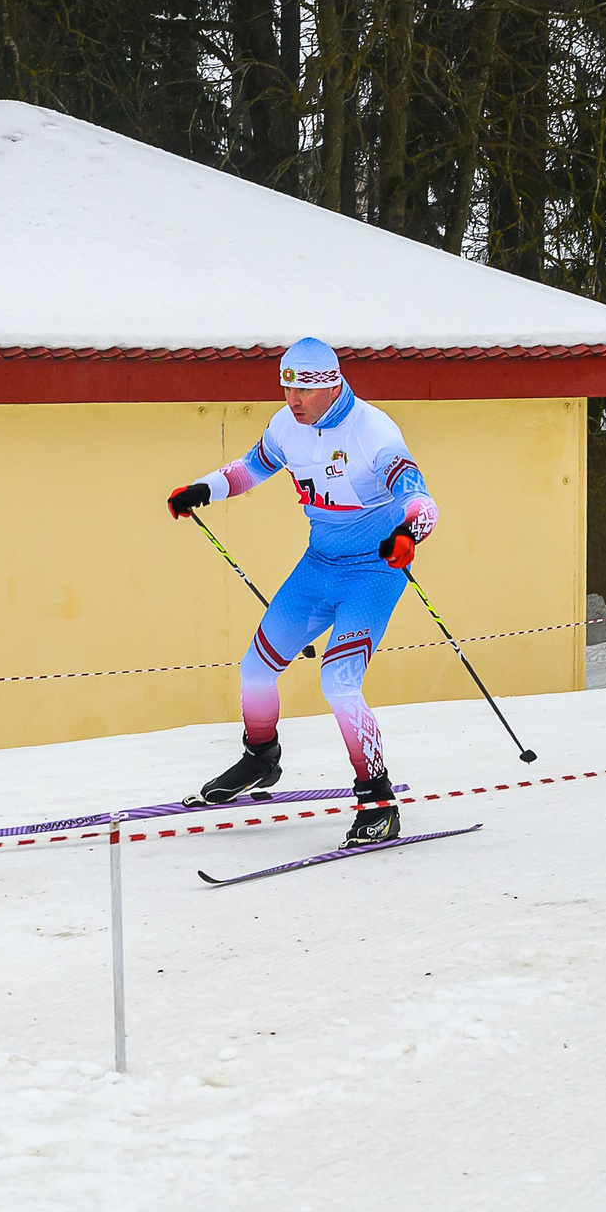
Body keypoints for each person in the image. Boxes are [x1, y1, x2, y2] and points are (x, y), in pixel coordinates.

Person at [166, 338, 437, 846]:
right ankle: (260, 757)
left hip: (372, 572)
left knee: (338, 680)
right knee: (255, 670)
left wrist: (407, 535)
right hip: (318, 567)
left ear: (331, 383)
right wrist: (202, 488)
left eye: (305, 388)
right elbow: (250, 469)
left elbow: (421, 500)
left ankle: (377, 799)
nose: (294, 398)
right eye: (287, 385)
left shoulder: (373, 431)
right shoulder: (286, 426)